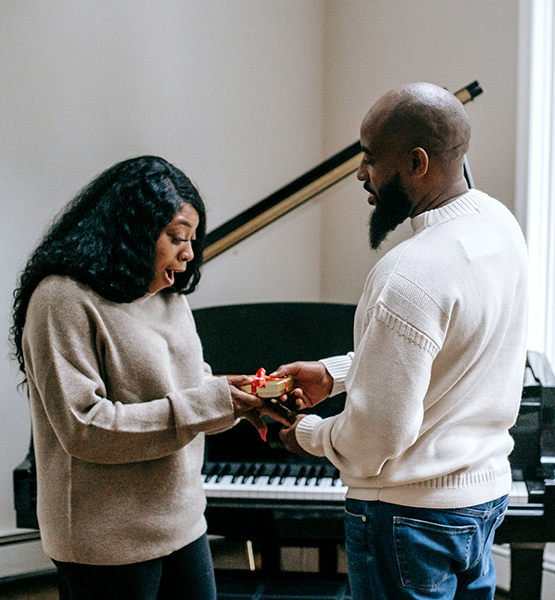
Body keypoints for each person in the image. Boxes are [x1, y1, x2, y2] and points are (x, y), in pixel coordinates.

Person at [273, 82, 529, 599]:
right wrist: (335, 374)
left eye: (369, 157)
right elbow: (449, 352)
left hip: (407, 519)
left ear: (416, 162)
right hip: (481, 504)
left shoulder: (409, 273)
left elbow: (375, 439)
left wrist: (306, 433)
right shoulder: (501, 226)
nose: (360, 173)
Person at [10, 156, 287, 600]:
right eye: (177, 236)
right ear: (132, 229)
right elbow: (86, 427)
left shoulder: (169, 297)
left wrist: (236, 401)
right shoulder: (62, 298)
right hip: (104, 541)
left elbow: (195, 392)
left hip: (184, 521)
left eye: (192, 240)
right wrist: (211, 402)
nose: (189, 253)